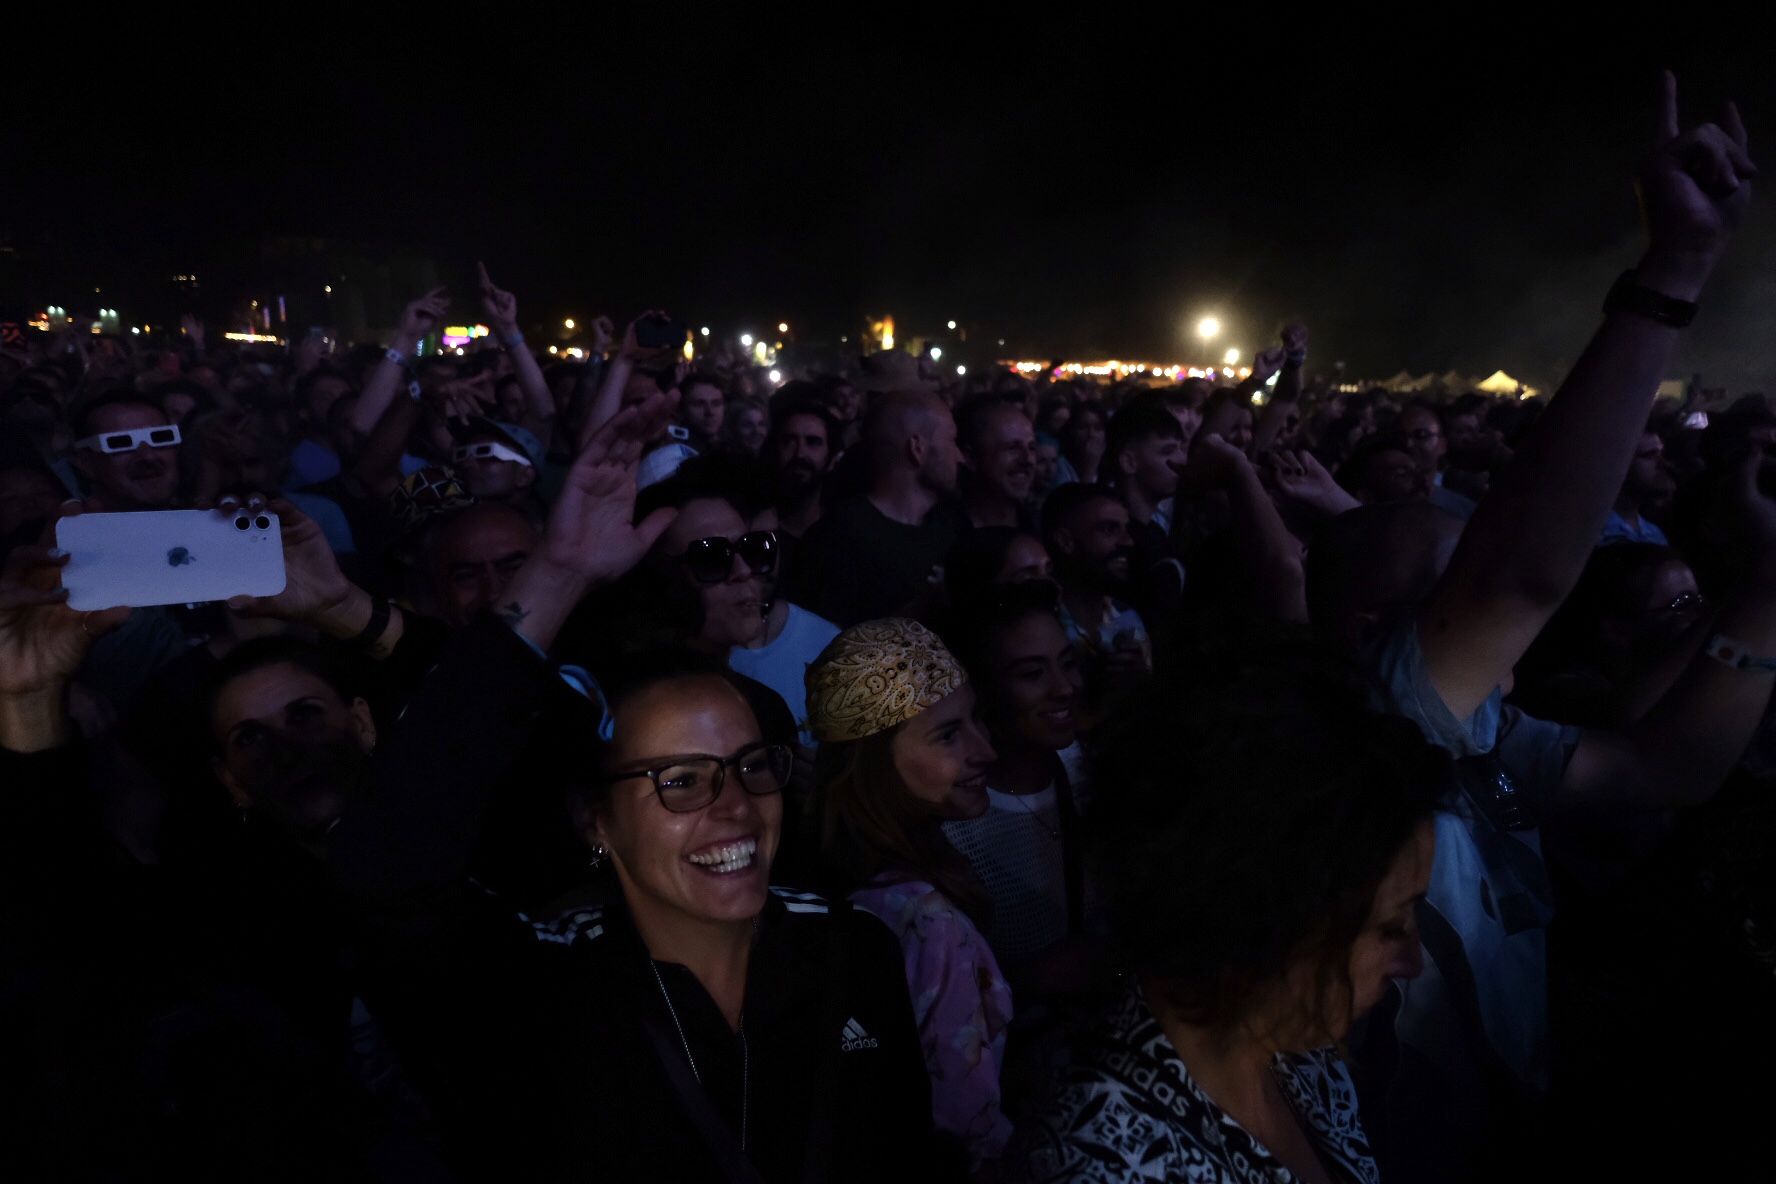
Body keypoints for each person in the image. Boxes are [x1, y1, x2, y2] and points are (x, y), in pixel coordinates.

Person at [1303, 75, 1767, 1181]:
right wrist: (1672, 272)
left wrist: (1766, 589)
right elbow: (1522, 576)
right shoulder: (1360, 724)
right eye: (1447, 590)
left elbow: (1667, 766)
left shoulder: (1486, 748)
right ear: (1379, 631)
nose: (1496, 624)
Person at [330, 395, 940, 1180]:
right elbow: (384, 872)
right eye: (680, 780)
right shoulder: (540, 983)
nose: (734, 808)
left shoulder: (851, 950)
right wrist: (555, 573)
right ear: (596, 820)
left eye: (753, 767)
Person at [1008, 645, 1444, 1184]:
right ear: (1259, 916)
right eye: (1390, 926)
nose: (1412, 961)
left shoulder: (1301, 1052)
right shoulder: (1100, 1167)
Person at [807, 619, 1013, 1176]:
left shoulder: (841, 885)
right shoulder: (925, 918)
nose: (985, 749)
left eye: (976, 720)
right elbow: (964, 1122)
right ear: (874, 761)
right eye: (948, 734)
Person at [795, 392, 966, 627]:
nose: (959, 457)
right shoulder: (838, 539)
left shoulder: (953, 526)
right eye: (952, 440)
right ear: (917, 448)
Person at [957, 397, 1038, 530]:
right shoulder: (941, 537)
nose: (1027, 459)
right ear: (970, 458)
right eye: (1012, 447)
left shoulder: (1043, 528)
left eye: (1032, 447)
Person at [768, 401, 837, 538]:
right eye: (788, 442)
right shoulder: (755, 532)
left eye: (813, 442)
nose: (800, 453)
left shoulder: (842, 531)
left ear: (831, 457)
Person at [1601, 427, 1675, 544]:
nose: (1663, 463)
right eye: (1650, 455)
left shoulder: (1656, 535)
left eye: (1661, 454)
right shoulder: (1593, 531)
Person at [1053, 403, 1105, 487]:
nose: (1091, 434)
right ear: (1073, 431)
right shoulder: (1061, 466)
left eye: (1097, 428)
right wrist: (1090, 468)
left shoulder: (1111, 467)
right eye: (1083, 427)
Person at [681, 373, 728, 454]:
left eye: (716, 403)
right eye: (699, 404)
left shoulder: (736, 448)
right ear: (683, 408)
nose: (710, 412)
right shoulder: (672, 454)